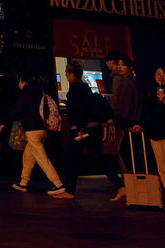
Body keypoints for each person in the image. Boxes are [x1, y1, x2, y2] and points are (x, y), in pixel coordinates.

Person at [60, 60, 123, 200]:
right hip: (93, 128)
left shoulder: (75, 90)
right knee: (99, 158)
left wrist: (80, 128)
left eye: (67, 73)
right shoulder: (86, 88)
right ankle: (120, 186)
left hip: (82, 130)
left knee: (72, 159)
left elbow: (76, 112)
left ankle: (69, 191)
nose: (66, 76)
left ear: (72, 74)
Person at [0, 71, 67, 197]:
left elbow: (17, 109)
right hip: (43, 129)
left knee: (42, 158)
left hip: (32, 130)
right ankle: (23, 183)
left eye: (19, 81)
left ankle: (58, 184)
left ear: (22, 81)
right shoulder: (39, 91)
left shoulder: (26, 93)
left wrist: (4, 122)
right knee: (28, 156)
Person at [110, 54, 143, 195]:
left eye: (123, 65)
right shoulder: (127, 81)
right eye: (118, 64)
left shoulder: (129, 82)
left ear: (130, 67)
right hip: (129, 122)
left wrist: (127, 120)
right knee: (130, 153)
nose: (120, 67)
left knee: (128, 153)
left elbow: (129, 105)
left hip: (130, 123)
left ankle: (134, 185)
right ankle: (134, 185)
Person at [146, 64, 165, 193]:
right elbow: (147, 111)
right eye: (158, 74)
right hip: (156, 133)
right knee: (162, 167)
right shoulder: (151, 92)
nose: (161, 77)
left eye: (163, 74)